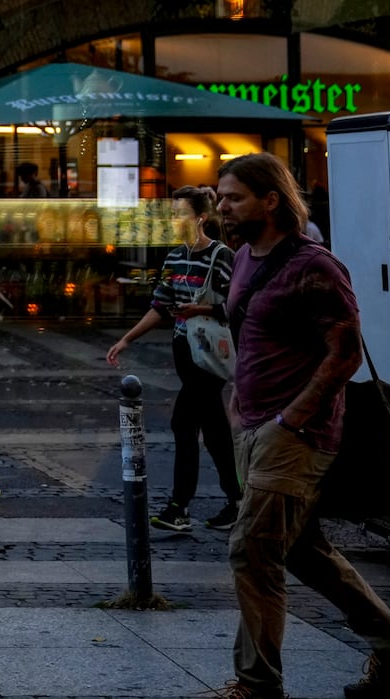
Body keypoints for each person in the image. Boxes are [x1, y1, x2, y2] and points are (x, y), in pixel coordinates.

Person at [212, 153, 390, 699]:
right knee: (301, 552)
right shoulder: (246, 258)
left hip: (296, 435)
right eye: (219, 196)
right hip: (252, 426)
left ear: (271, 199)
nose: (221, 207)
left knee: (251, 550)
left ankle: (257, 686)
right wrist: (237, 400)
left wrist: (290, 419)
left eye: (233, 197)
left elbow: (344, 353)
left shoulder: (313, 265)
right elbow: (254, 339)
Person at [107, 186, 241, 533]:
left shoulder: (221, 256)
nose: (173, 219)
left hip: (210, 355)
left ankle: (179, 506)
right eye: (171, 212)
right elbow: (160, 307)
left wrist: (199, 308)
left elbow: (237, 307)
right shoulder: (174, 258)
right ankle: (237, 500)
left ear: (200, 217)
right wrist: (126, 340)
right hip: (185, 350)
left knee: (184, 423)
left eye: (180, 212)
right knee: (213, 430)